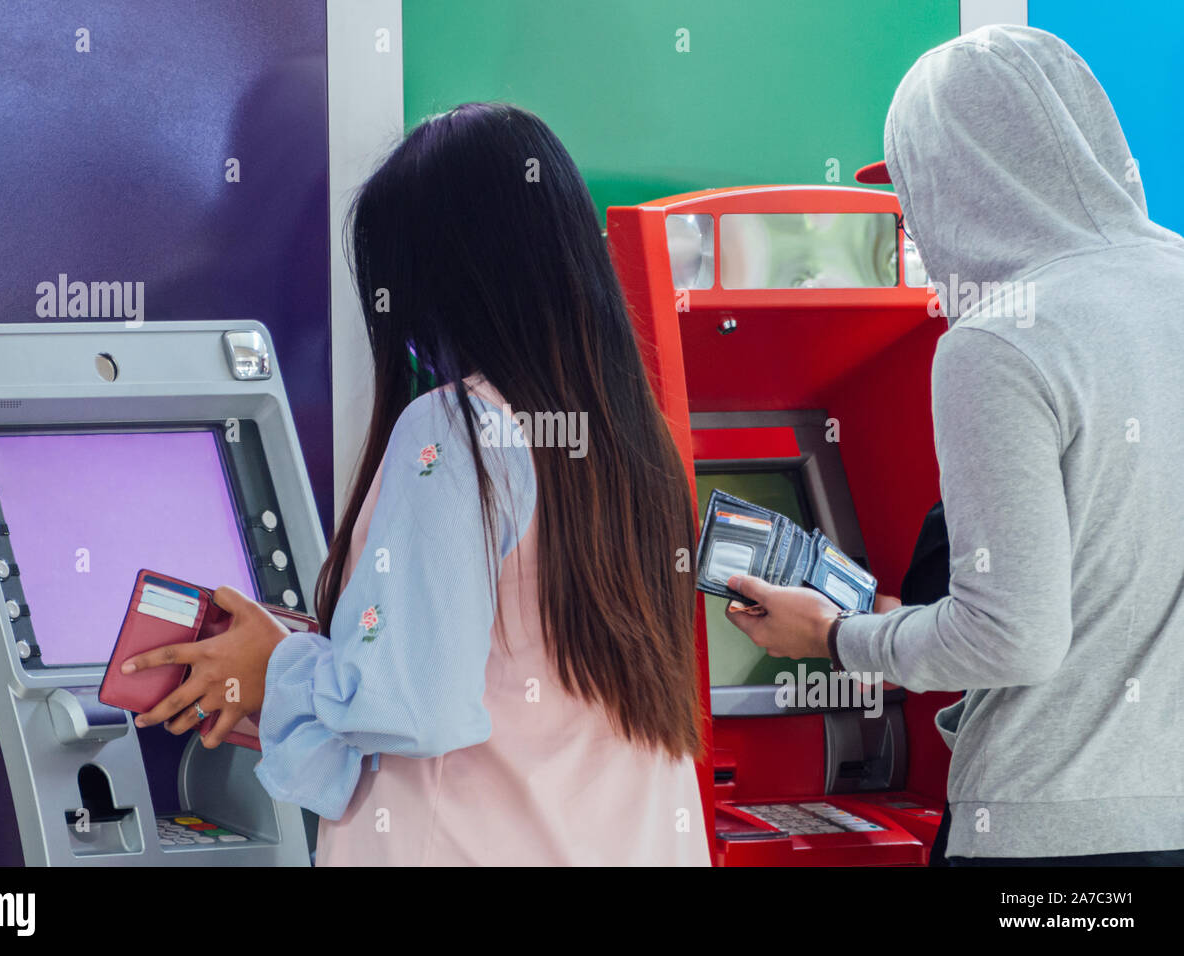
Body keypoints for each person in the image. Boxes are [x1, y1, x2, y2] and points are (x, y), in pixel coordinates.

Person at [123, 102, 711, 866]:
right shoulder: (637, 441)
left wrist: (276, 668)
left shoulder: (456, 431)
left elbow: (408, 703)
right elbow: (493, 672)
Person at [723, 25, 1184, 864]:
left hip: (1046, 840)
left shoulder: (999, 342)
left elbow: (1012, 640)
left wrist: (831, 636)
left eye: (913, 199)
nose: (916, 234)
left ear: (959, 181)